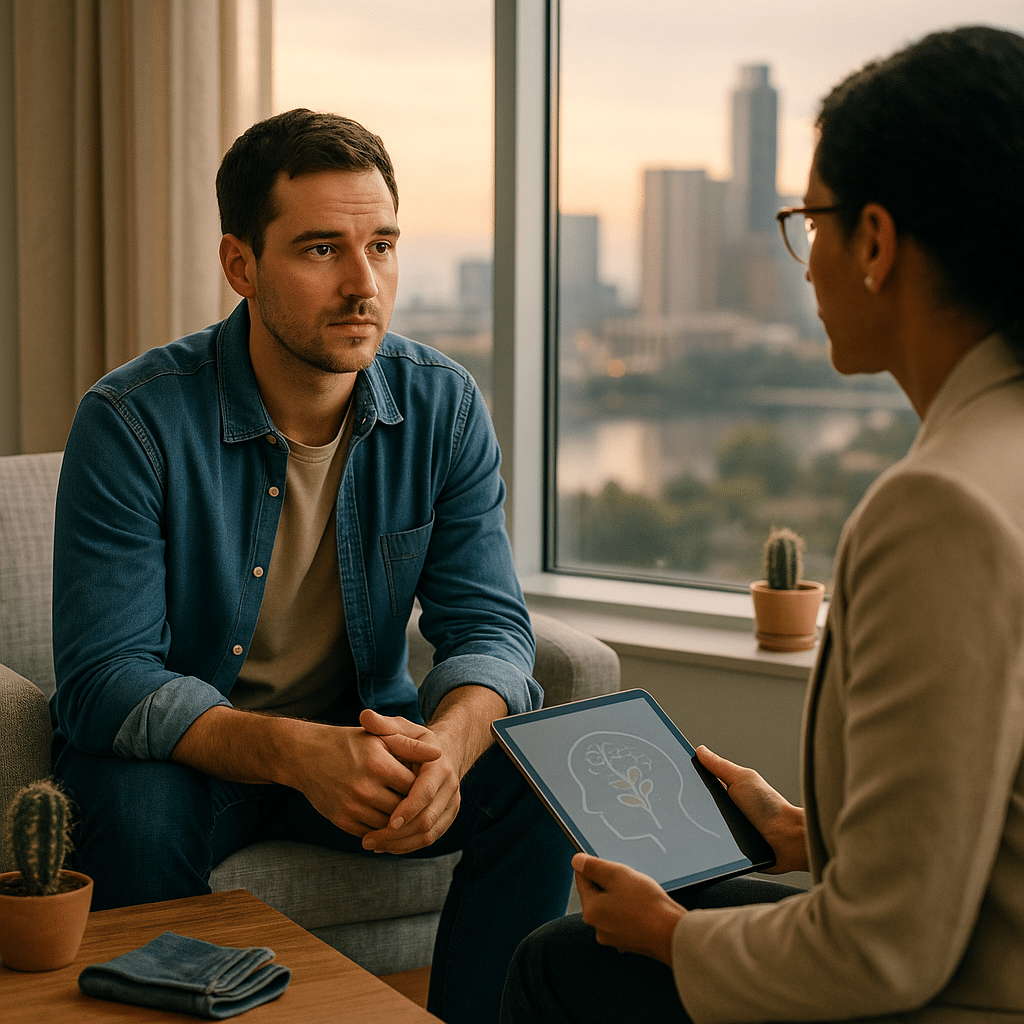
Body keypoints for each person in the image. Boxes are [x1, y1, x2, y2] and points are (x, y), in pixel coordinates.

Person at [501, 25, 1024, 1024]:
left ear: (875, 241)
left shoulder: (942, 506)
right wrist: (799, 831)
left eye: (810, 221)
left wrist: (667, 933)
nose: (806, 258)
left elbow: (882, 949)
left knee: (563, 964)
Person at [49, 108, 573, 1024]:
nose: (364, 284)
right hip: (191, 764)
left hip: (361, 742)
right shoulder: (131, 421)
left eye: (383, 245)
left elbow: (490, 627)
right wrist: (296, 753)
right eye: (323, 250)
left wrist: (450, 749)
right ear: (241, 265)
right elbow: (105, 679)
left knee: (539, 777)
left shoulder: (443, 407)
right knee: (131, 807)